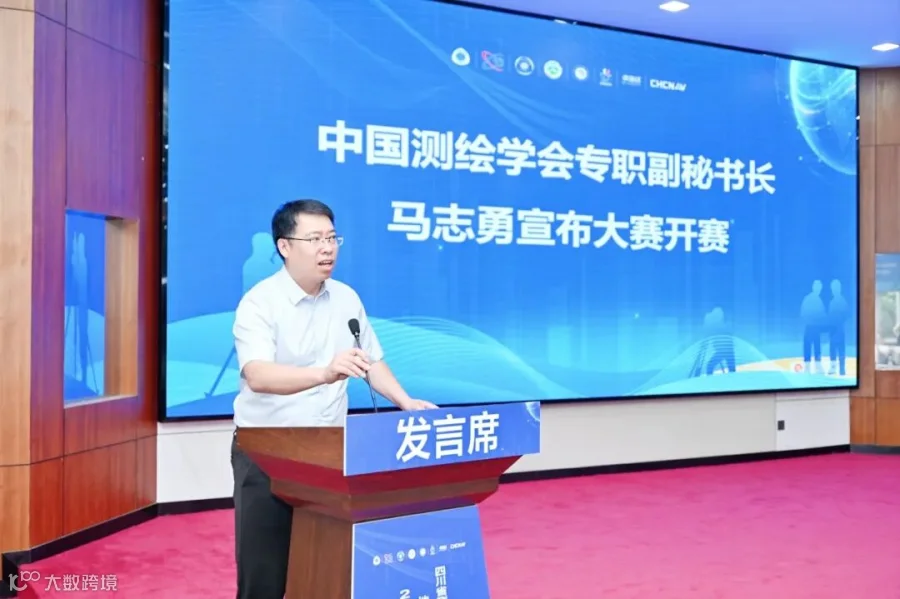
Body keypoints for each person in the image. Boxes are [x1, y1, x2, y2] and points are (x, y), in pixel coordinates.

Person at [230, 199, 436, 599]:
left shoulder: (346, 298)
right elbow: (257, 375)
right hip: (267, 452)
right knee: (265, 573)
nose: (327, 248)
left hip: (330, 452)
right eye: (314, 239)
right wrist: (324, 374)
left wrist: (405, 401)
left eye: (332, 238)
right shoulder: (259, 302)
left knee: (327, 565)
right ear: (284, 246)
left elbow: (370, 359)